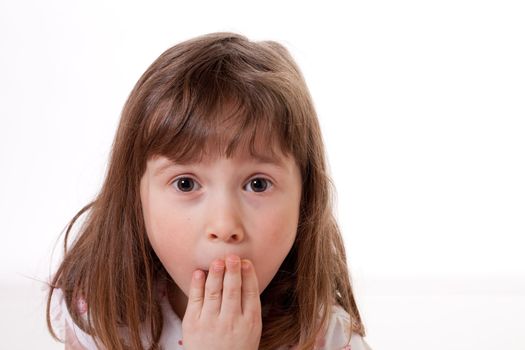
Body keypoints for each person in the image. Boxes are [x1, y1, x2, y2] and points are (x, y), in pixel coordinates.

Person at [45, 31, 374, 350]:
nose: (224, 226)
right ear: (136, 196)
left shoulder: (324, 338)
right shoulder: (102, 318)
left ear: (305, 200)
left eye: (258, 184)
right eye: (185, 183)